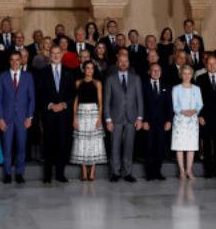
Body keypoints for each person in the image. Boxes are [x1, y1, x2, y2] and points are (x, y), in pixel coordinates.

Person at [104, 53, 144, 183]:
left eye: (125, 61)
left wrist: (139, 118)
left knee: (129, 146)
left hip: (132, 118)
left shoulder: (136, 78)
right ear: (117, 63)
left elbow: (140, 99)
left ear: (128, 63)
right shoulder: (110, 79)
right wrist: (108, 119)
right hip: (115, 118)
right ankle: (115, 173)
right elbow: (106, 101)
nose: (123, 63)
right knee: (114, 146)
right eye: (120, 61)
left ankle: (127, 173)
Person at [38, 46, 76, 183]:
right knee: (48, 144)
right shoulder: (43, 72)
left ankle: (60, 174)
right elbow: (40, 93)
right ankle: (47, 175)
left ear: (61, 55)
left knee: (62, 144)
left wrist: (64, 104)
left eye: (57, 53)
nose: (55, 56)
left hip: (64, 114)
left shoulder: (69, 72)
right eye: (52, 53)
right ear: (49, 55)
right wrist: (51, 105)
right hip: (49, 114)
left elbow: (73, 93)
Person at [0, 52, 36, 184]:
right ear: (9, 61)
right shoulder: (2, 77)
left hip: (22, 118)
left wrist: (29, 117)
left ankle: (19, 173)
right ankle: (7, 174)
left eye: (17, 59)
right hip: (6, 118)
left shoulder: (28, 77)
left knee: (21, 146)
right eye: (12, 59)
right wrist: (0, 118)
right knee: (7, 146)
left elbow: (32, 98)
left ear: (21, 61)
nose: (15, 62)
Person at [70, 61, 107, 181]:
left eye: (92, 68)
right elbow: (75, 102)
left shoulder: (97, 83)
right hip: (81, 113)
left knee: (94, 141)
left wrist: (99, 118)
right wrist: (74, 117)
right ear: (83, 69)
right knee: (82, 141)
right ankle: (84, 171)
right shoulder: (78, 83)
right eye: (87, 68)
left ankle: (93, 172)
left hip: (94, 113)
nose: (90, 70)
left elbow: (100, 103)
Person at [142, 63, 173, 181]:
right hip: (148, 122)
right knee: (149, 147)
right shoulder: (143, 85)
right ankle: (149, 173)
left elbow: (170, 105)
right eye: (153, 70)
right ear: (149, 72)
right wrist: (144, 120)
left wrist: (169, 121)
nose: (156, 72)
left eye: (158, 70)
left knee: (160, 148)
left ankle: (157, 171)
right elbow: (141, 104)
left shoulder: (166, 86)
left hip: (162, 123)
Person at [171, 65, 203, 180]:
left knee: (191, 146)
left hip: (192, 120)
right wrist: (183, 112)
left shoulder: (196, 89)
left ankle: (189, 170)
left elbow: (200, 104)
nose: (186, 76)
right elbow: (174, 105)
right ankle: (182, 171)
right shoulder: (176, 88)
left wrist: (194, 111)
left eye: (189, 73)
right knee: (179, 146)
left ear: (192, 75)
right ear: (181, 75)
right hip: (180, 120)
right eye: (184, 73)